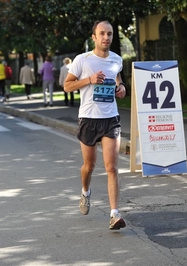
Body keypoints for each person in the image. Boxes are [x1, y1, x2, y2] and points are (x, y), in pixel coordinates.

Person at [64, 20, 127, 230]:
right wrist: (89, 79)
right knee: (89, 166)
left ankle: (114, 214)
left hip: (111, 118)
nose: (106, 37)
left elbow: (117, 78)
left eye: (109, 34)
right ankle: (85, 191)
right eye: (102, 34)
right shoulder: (82, 60)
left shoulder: (117, 59)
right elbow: (67, 85)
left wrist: (121, 88)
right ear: (94, 37)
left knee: (112, 167)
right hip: (89, 119)